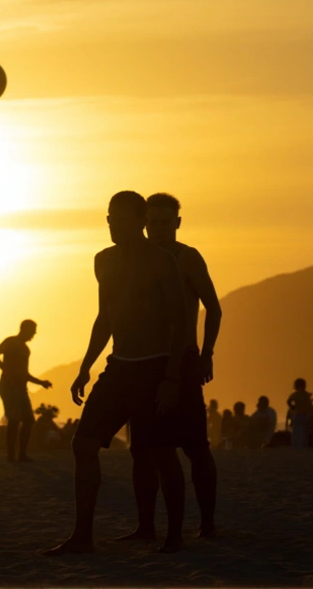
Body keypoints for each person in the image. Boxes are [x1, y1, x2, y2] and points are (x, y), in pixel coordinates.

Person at [44, 191, 188, 556]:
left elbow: (181, 321)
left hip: (156, 367)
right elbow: (104, 318)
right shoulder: (103, 261)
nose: (111, 224)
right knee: (83, 444)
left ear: (139, 221)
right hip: (119, 367)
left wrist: (172, 376)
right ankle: (82, 536)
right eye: (109, 217)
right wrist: (85, 367)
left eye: (120, 218)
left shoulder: (162, 262)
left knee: (159, 451)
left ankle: (172, 536)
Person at [120, 192, 222, 542]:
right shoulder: (138, 259)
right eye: (152, 223)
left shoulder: (187, 258)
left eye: (165, 222)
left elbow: (214, 308)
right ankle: (146, 526)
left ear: (177, 223)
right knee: (141, 449)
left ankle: (207, 523)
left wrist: (207, 353)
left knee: (195, 446)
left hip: (185, 359)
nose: (159, 229)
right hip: (144, 363)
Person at [0, 320, 53, 463]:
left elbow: (24, 373)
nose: (34, 334)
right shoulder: (11, 342)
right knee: (14, 420)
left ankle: (22, 454)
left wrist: (41, 382)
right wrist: (6, 370)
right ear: (25, 329)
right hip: (8, 386)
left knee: (29, 420)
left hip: (21, 387)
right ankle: (11, 456)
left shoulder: (25, 349)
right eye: (33, 331)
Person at [287, 378, 313, 449]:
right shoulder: (307, 395)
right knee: (303, 432)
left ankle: (296, 446)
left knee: (296, 432)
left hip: (298, 414)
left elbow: (289, 401)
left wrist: (293, 407)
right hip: (305, 415)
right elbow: (310, 406)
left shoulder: (295, 394)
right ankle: (302, 446)